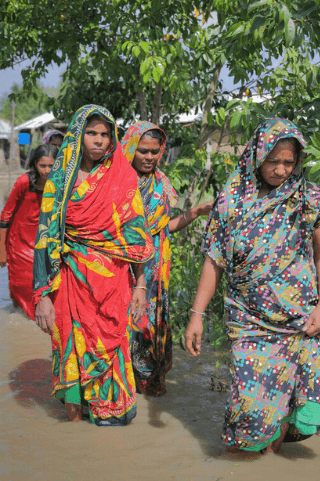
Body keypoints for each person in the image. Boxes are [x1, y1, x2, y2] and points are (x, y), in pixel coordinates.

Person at [184, 118, 320, 454]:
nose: (280, 170)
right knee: (248, 403)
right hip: (247, 319)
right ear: (255, 154)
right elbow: (214, 260)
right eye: (272, 160)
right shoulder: (231, 200)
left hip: (296, 320)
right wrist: (196, 315)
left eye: (288, 162)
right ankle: (245, 456)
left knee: (283, 403)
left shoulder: (309, 199)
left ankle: (269, 461)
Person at [33, 105, 154, 425]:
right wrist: (43, 295)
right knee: (70, 348)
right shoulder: (59, 179)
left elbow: (137, 236)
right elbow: (45, 236)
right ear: (78, 135)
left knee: (111, 347)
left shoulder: (123, 176)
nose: (99, 140)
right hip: (71, 281)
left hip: (114, 284)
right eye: (91, 133)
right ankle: (73, 427)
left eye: (104, 134)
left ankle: (107, 417)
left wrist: (140, 285)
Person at [121, 121, 213, 396]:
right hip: (122, 268)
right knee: (124, 325)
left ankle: (147, 385)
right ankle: (120, 387)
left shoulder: (161, 183)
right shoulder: (116, 183)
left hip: (154, 272)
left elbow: (163, 227)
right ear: (129, 148)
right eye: (143, 151)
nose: (149, 157)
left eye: (154, 151)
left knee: (151, 325)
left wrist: (195, 212)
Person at [0, 144, 58, 319]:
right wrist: (1, 249)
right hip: (19, 243)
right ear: (35, 164)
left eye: (51, 166)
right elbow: (6, 214)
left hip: (44, 242)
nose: (47, 170)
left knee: (45, 286)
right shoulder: (24, 182)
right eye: (43, 166)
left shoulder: (59, 184)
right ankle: (25, 319)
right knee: (21, 283)